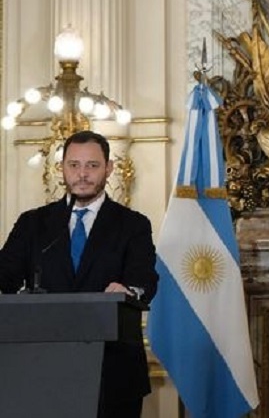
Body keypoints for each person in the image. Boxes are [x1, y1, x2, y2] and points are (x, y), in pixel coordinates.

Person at [0, 130, 158, 418]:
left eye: (92, 165)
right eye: (74, 165)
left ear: (109, 168)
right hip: (40, 369)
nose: (82, 174)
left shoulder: (133, 224)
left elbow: (144, 278)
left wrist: (128, 291)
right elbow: (6, 275)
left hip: (113, 373)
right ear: (61, 168)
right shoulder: (32, 223)